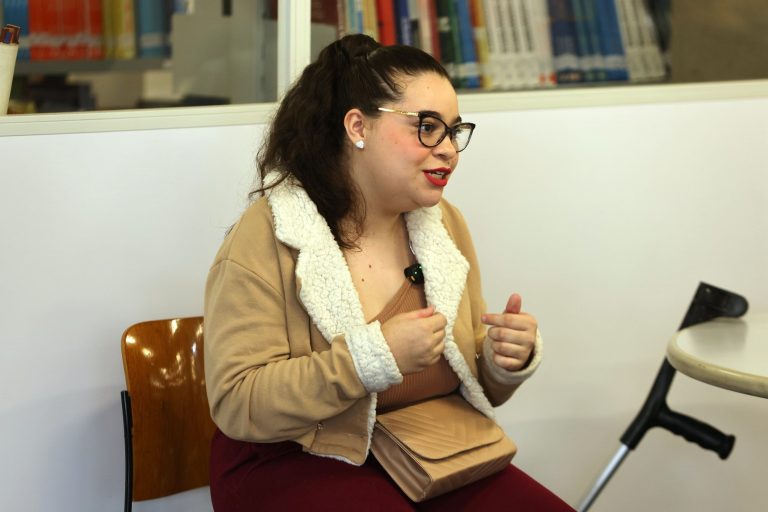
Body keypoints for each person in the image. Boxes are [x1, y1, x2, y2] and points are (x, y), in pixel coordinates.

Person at [203, 34, 574, 511]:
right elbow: (238, 401)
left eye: (454, 131)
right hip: (291, 455)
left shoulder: (444, 225)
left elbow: (465, 374)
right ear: (358, 126)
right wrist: (370, 359)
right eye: (427, 127)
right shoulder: (270, 233)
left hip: (424, 447)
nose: (449, 150)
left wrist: (502, 361)